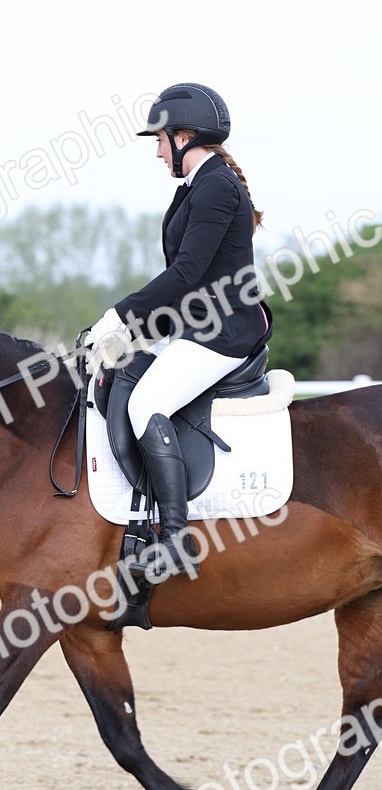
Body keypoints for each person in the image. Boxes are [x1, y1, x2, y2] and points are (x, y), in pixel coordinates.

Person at [86, 82, 269, 580]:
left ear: (185, 136)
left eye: (161, 140)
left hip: (225, 332)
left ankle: (174, 538)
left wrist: (120, 316)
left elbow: (187, 273)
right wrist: (137, 333)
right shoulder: (195, 187)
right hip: (196, 325)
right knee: (121, 376)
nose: (158, 150)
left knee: (148, 403)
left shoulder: (215, 186)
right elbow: (193, 285)